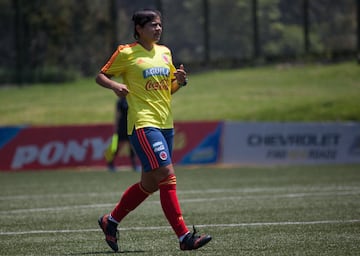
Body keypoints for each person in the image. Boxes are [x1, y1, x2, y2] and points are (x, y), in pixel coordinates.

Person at [95, 9, 211, 252]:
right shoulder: (126, 52)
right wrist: (116, 85)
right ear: (139, 28)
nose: (158, 29)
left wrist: (179, 80)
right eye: (152, 25)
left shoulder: (165, 52)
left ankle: (110, 221)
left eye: (159, 25)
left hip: (165, 124)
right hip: (143, 124)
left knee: (149, 184)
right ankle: (184, 237)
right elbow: (101, 76)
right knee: (167, 176)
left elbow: (167, 89)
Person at [104, 97, 139, 172]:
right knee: (115, 146)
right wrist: (116, 127)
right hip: (121, 127)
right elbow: (117, 115)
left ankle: (134, 165)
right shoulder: (120, 102)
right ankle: (110, 163)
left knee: (132, 146)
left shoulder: (132, 99)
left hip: (130, 126)